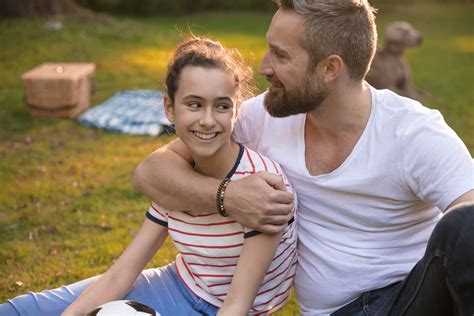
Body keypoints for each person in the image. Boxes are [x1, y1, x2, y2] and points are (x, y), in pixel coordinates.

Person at [131, 1, 474, 315]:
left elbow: (467, 224)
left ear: (329, 68)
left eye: (280, 55)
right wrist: (228, 197)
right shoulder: (265, 116)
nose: (263, 66)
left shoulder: (412, 132)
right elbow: (150, 173)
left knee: (465, 222)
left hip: (404, 303)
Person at [0, 38, 297, 316]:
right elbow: (121, 273)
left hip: (228, 308)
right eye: (194, 104)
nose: (208, 121)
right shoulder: (176, 176)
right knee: (24, 309)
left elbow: (237, 306)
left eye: (221, 106)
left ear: (236, 111)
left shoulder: (263, 185)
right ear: (170, 108)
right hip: (179, 284)